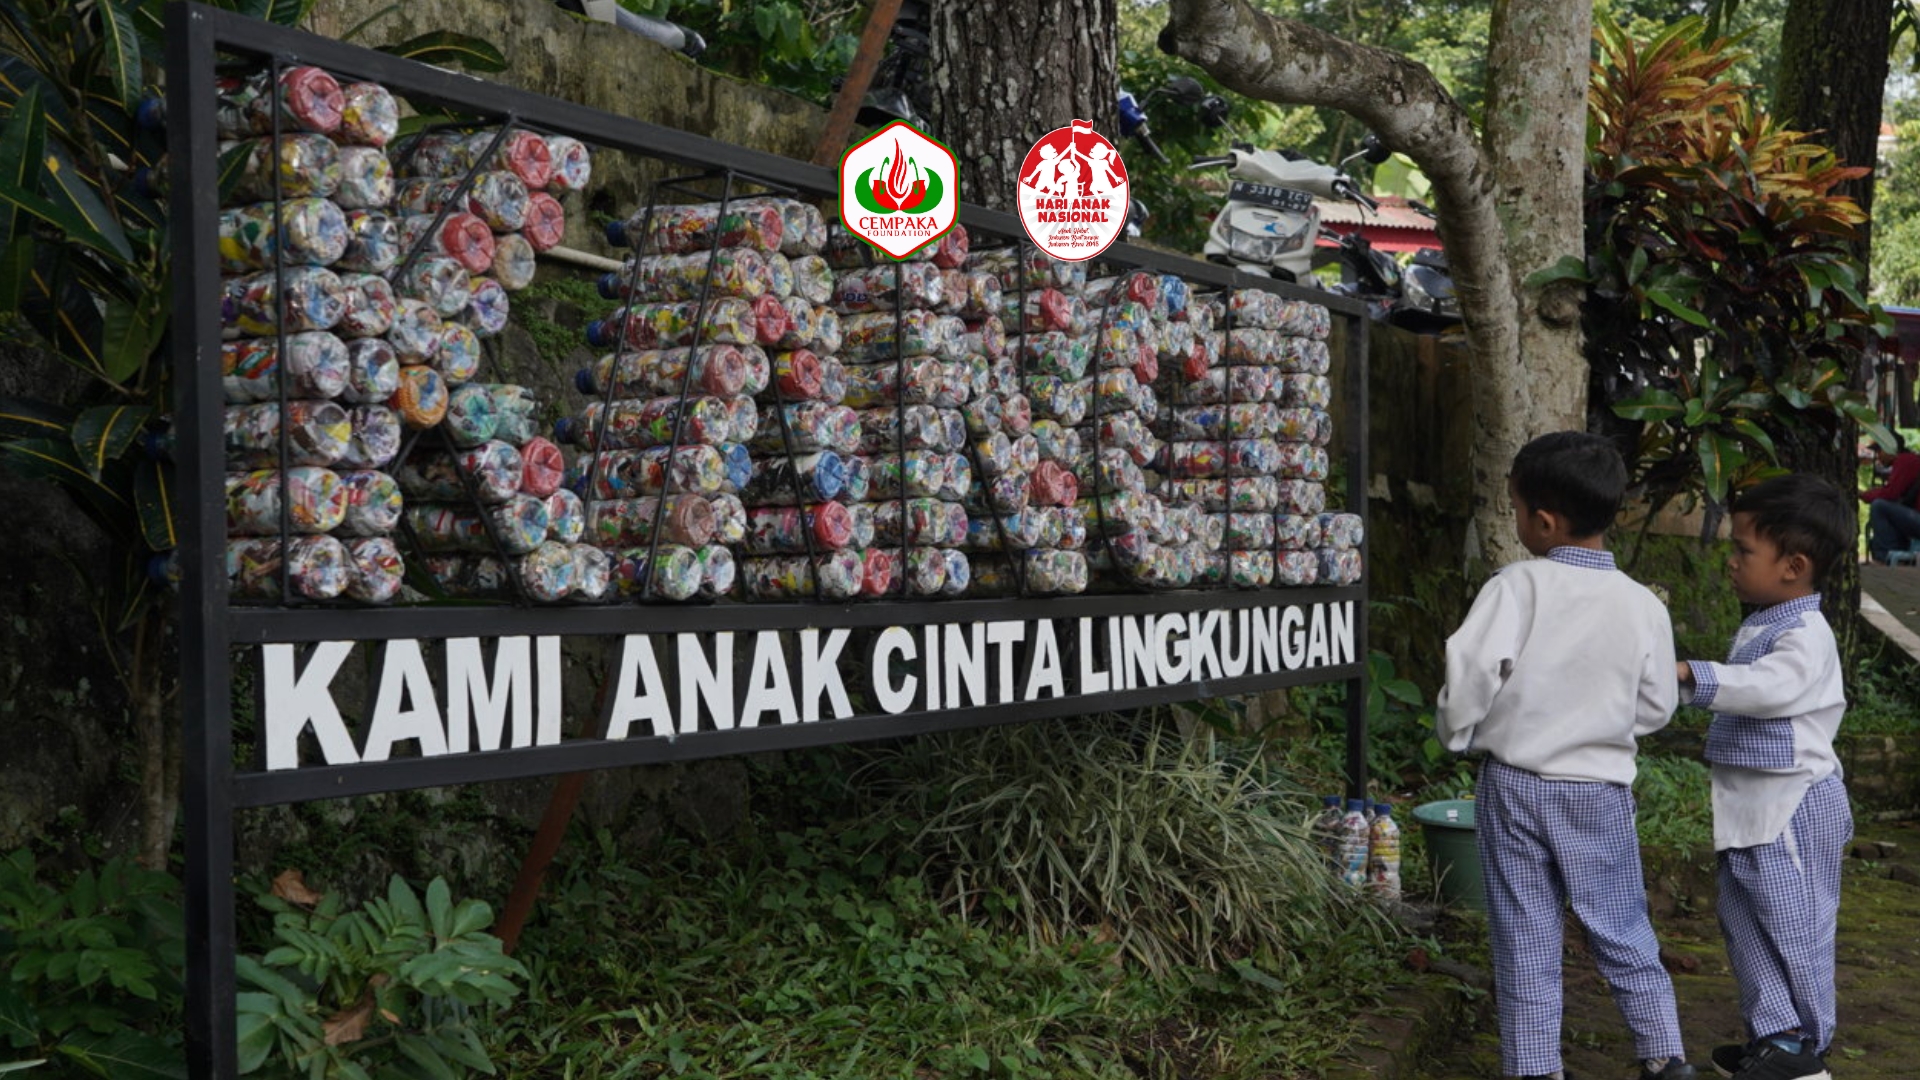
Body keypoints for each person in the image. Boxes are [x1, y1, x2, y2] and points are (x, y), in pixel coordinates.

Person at [1436, 431, 1695, 1080]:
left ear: (1543, 521)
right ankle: (1665, 1058)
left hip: (1517, 787)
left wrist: (1460, 733)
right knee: (1621, 926)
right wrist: (1604, 728)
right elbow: (1658, 705)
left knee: (1525, 936)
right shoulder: (1643, 606)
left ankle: (1534, 1069)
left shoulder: (1516, 586)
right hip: (1598, 791)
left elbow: (1472, 670)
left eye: (1517, 509)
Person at [1675, 474, 1851, 1080]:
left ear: (1793, 566)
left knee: (1792, 923)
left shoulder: (1806, 635)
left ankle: (1806, 1046)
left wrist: (1693, 676)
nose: (1731, 560)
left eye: (1744, 549)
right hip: (1754, 805)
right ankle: (1775, 1035)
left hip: (1795, 805)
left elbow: (1769, 688)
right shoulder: (1767, 621)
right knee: (1743, 917)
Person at [1860, 434, 1920, 564]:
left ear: (1889, 448)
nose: (1878, 456)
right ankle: (1898, 553)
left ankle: (1883, 556)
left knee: (1879, 506)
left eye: (1879, 450)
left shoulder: (1905, 460)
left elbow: (1890, 494)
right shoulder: (1911, 460)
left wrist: (1863, 494)